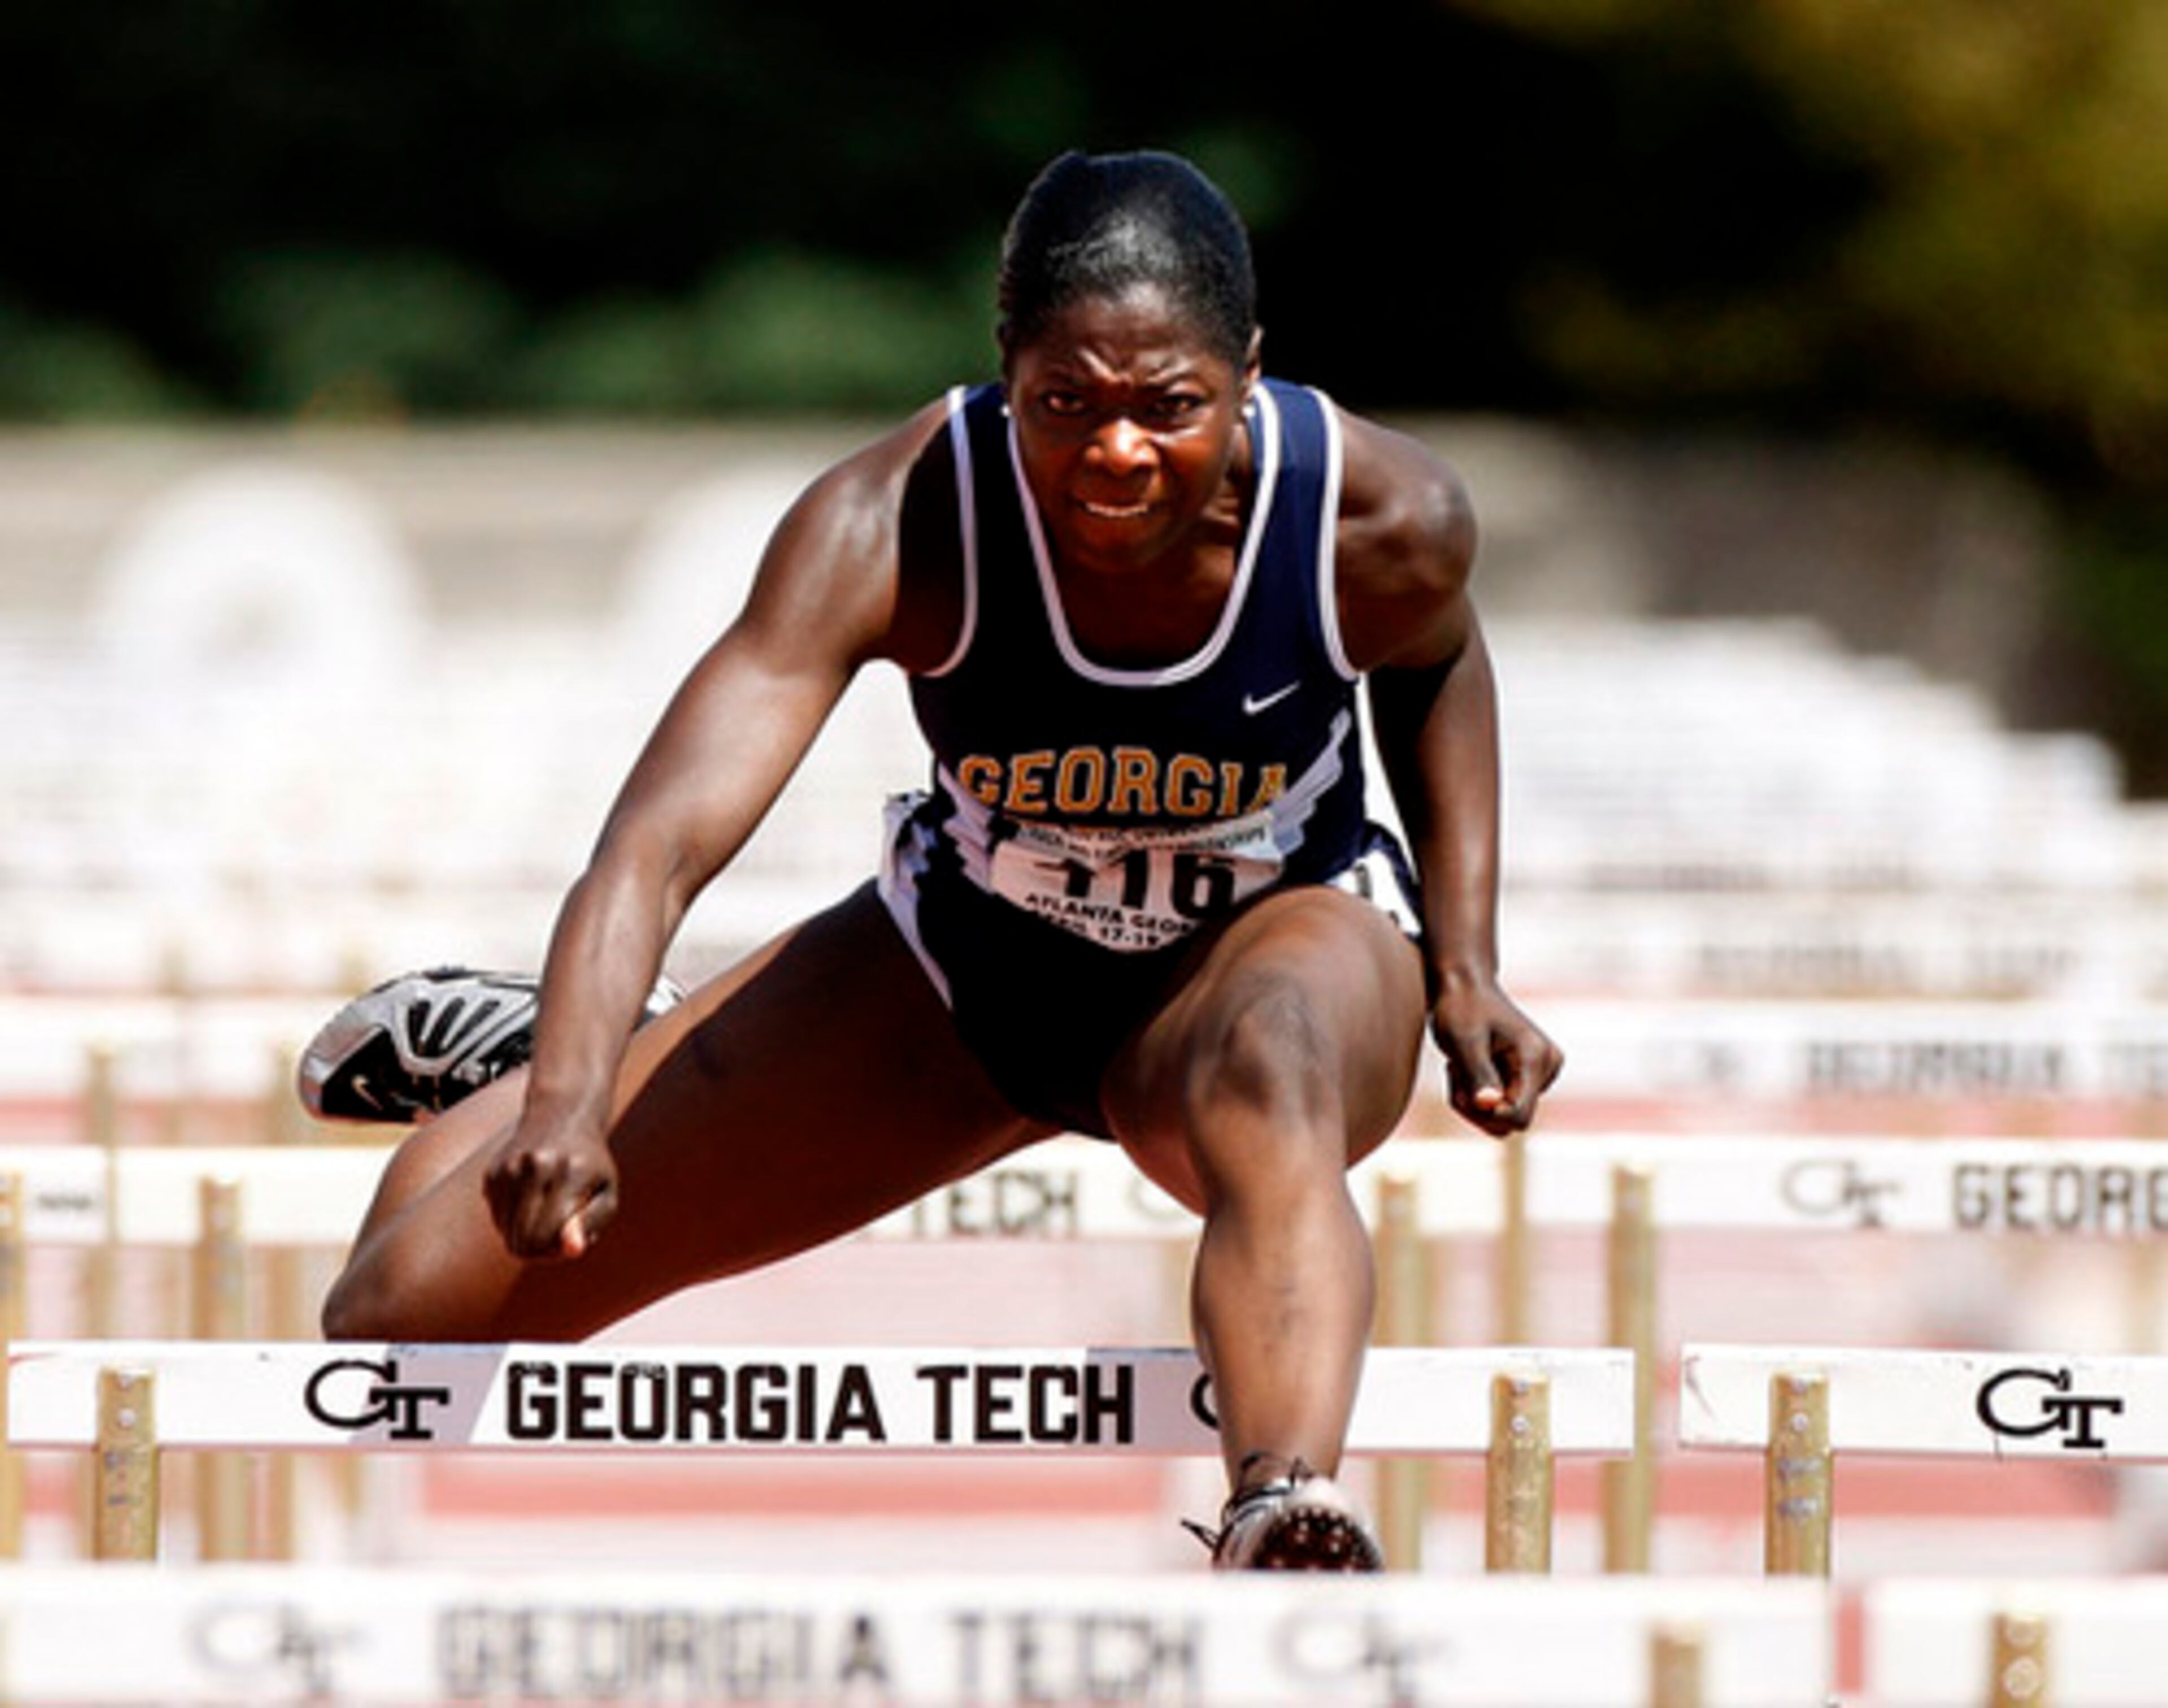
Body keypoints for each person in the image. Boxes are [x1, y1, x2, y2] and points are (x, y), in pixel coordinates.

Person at [306, 148, 1563, 1571]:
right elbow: (656, 841)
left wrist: (1465, 965)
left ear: (1251, 374)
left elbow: (1439, 662)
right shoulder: (895, 521)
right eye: (1063, 404)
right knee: (398, 1320)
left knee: (1268, 1069)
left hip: (1264, 956)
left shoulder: (1377, 519)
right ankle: (586, 1040)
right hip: (965, 978)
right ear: (1004, 373)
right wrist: (574, 1093)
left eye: (1171, 408)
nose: (1115, 453)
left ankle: (1282, 1505)